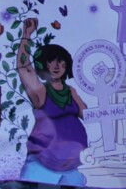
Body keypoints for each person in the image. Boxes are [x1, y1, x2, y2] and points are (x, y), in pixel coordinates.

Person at [17, 17, 88, 186]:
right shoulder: (41, 91)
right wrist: (27, 34)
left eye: (61, 61)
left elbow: (88, 115)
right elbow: (24, 67)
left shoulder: (70, 91)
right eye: (51, 61)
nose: (57, 66)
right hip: (43, 164)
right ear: (44, 65)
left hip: (74, 166)